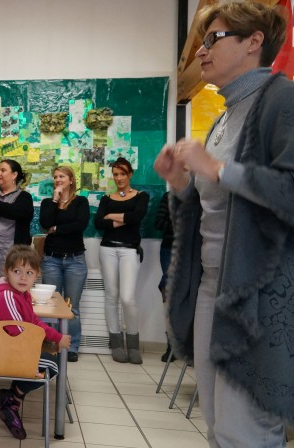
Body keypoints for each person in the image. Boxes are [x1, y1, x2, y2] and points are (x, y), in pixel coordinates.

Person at [154, 2, 292, 446]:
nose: (201, 52)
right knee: (218, 428)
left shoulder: (282, 101)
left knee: (245, 434)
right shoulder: (223, 116)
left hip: (259, 296)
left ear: (254, 43)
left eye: (213, 39)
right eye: (200, 42)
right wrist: (179, 183)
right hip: (215, 290)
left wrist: (215, 168)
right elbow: (207, 211)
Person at [0, 245, 71, 440]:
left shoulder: (23, 295)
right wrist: (43, 346)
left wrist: (56, 337)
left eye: (29, 272)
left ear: (36, 275)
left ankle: (10, 400)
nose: (23, 277)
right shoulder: (7, 295)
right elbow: (19, 331)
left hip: (12, 349)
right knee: (52, 365)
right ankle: (12, 399)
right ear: (6, 272)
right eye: (17, 271)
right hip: (1, 352)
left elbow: (33, 323)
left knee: (47, 359)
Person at [94, 157, 149, 364]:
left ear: (130, 175)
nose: (119, 178)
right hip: (107, 249)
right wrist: (120, 219)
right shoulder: (106, 198)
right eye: (116, 174)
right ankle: (116, 343)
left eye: (123, 174)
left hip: (129, 250)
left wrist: (112, 217)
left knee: (127, 298)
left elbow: (137, 217)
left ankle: (133, 345)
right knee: (111, 296)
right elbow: (99, 223)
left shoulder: (141, 196)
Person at [39, 166, 89, 362]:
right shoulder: (47, 202)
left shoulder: (81, 202)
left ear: (71, 180)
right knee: (50, 305)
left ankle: (72, 346)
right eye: (55, 177)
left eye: (61, 176)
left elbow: (80, 225)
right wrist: (54, 199)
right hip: (51, 259)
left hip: (75, 260)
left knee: (72, 307)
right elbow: (45, 223)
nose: (57, 179)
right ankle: (52, 344)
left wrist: (56, 228)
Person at [154, 191, 175, 362]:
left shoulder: (198, 195)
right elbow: (159, 222)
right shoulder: (168, 196)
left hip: (194, 250)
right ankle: (172, 344)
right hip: (170, 248)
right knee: (167, 288)